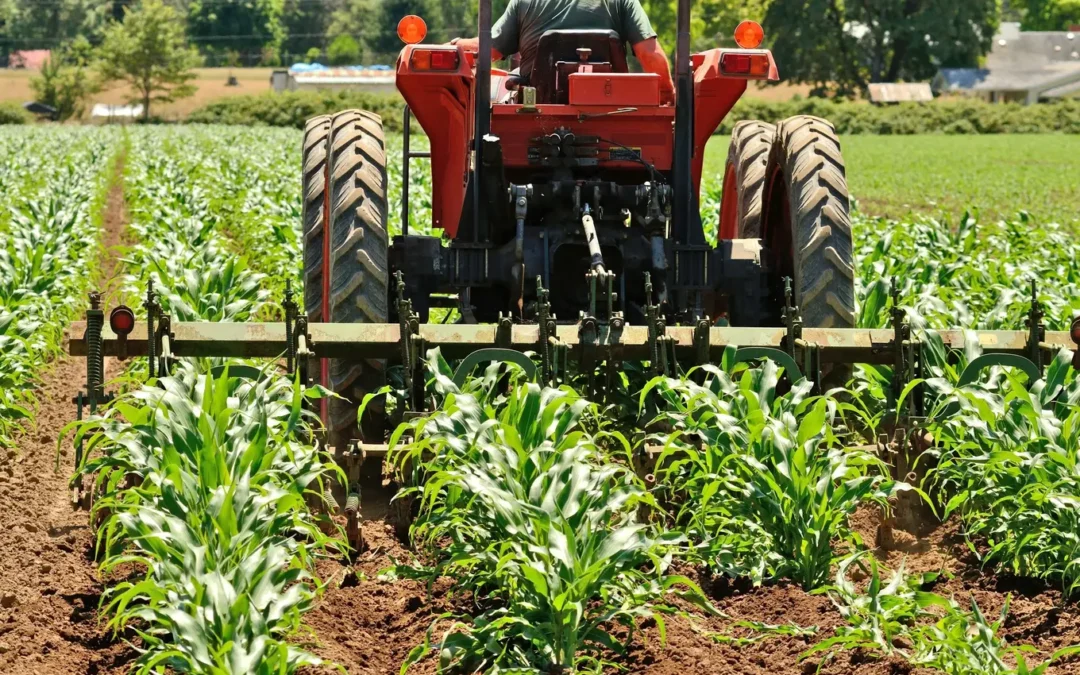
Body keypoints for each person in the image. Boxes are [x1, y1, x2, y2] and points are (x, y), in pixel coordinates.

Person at [450, 0, 675, 105]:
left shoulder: (524, 3)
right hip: (610, 110)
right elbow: (649, 55)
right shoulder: (622, 2)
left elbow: (487, 51)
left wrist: (456, 45)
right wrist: (667, 94)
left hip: (537, 112)